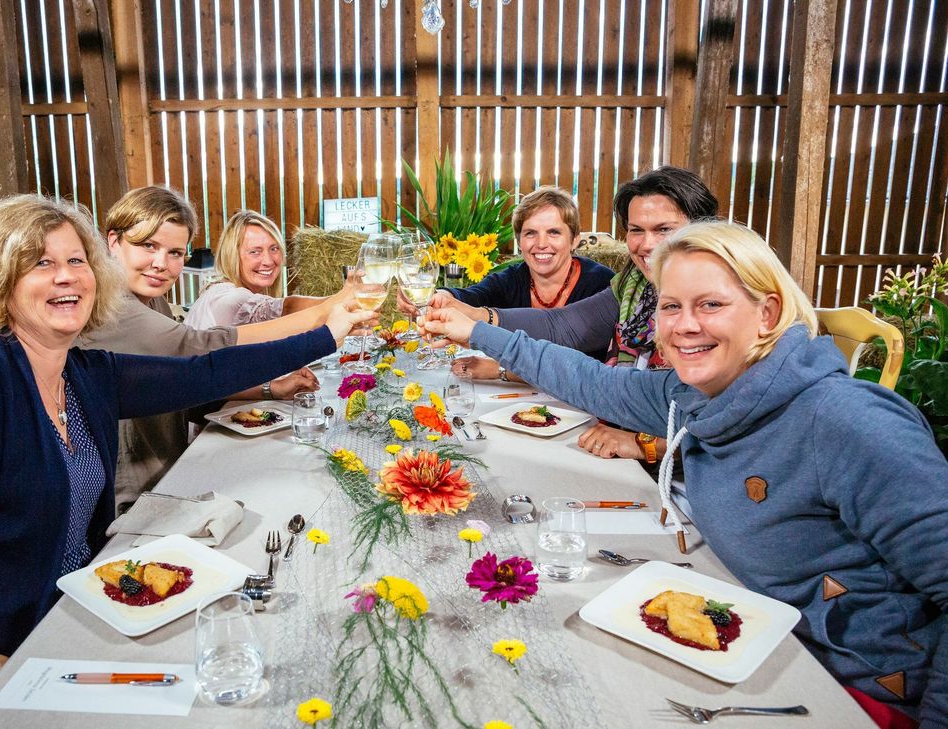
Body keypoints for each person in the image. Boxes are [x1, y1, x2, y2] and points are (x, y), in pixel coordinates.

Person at [0, 194, 367, 728]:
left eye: (77, 261)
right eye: (41, 263)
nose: (66, 277)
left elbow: (207, 372)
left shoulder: (83, 373)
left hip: (63, 626)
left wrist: (328, 334)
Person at [425, 221, 948, 727]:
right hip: (752, 643)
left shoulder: (848, 421)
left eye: (711, 304)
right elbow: (590, 382)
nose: (684, 325)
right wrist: (475, 331)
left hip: (850, 690)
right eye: (671, 306)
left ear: (768, 313)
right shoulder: (696, 391)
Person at [81, 187, 366, 513]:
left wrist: (269, 389)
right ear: (114, 242)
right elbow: (200, 353)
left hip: (172, 469)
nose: (161, 263)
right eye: (148, 246)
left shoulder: (153, 298)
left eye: (175, 253)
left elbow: (182, 388)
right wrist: (324, 328)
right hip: (132, 497)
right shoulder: (115, 306)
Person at [431, 166, 718, 467]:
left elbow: (728, 432)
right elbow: (563, 327)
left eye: (664, 229)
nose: (647, 244)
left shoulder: (721, 300)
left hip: (679, 478)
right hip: (614, 438)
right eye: (636, 230)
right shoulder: (634, 284)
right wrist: (475, 318)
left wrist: (643, 443)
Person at [401, 186, 614, 378]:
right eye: (530, 233)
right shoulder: (512, 278)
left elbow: (590, 366)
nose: (541, 244)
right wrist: (440, 297)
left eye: (554, 232)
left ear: (575, 239)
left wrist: (500, 370)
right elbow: (473, 297)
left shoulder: (602, 283)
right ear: (519, 241)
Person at [185, 209, 349, 329]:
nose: (268, 261)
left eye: (274, 249)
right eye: (254, 252)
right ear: (232, 255)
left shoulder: (226, 290)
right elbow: (285, 308)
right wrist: (345, 298)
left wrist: (277, 379)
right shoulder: (231, 298)